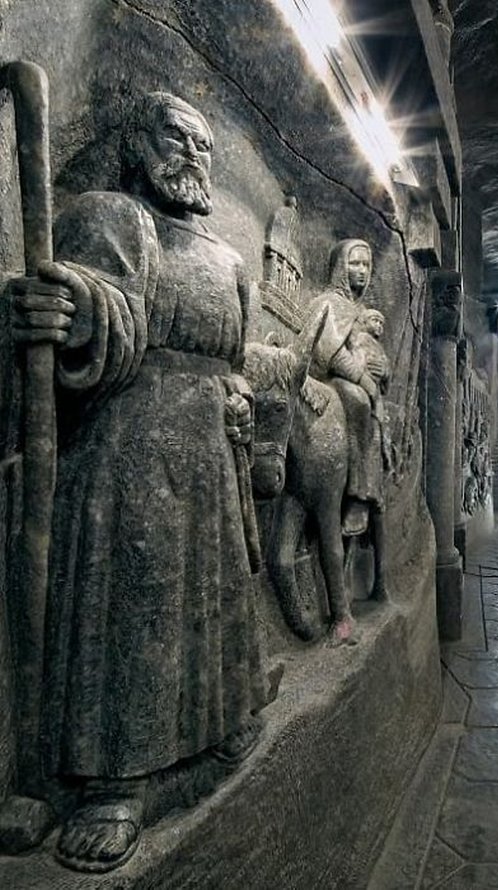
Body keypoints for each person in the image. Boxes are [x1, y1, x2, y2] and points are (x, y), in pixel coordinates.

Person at [11, 92, 266, 873]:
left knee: (217, 591)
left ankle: (226, 716)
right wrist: (73, 310)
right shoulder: (113, 217)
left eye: (203, 143)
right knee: (139, 601)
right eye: (173, 135)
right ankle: (114, 781)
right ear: (136, 142)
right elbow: (100, 300)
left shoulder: (227, 260)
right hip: (128, 446)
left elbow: (237, 356)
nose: (191, 153)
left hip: (209, 448)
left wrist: (239, 392)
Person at [308, 240, 385, 537]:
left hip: (361, 381)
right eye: (355, 263)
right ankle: (356, 496)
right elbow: (329, 352)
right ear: (341, 266)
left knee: (370, 409)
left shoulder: (362, 311)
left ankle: (364, 493)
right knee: (358, 401)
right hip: (330, 378)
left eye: (366, 265)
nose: (362, 271)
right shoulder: (329, 303)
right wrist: (363, 379)